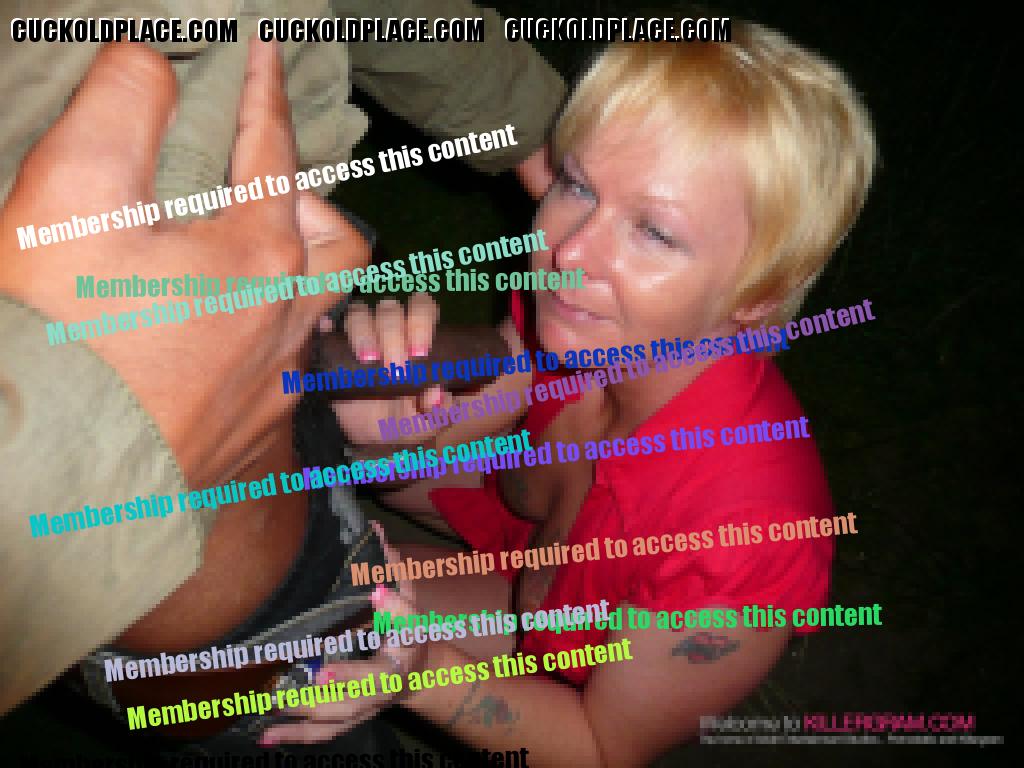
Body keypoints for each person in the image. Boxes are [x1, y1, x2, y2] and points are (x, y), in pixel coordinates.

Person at [270, 20, 877, 766]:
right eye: (578, 185)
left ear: (760, 293)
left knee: (302, 636)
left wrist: (424, 675)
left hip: (574, 659)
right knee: (302, 575)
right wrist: (378, 427)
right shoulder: (588, 326)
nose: (569, 250)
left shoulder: (741, 542)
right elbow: (468, 425)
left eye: (655, 232)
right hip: (512, 552)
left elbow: (602, 747)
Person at [1, 2, 564, 757]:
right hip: (207, 591)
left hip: (276, 326)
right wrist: (112, 428)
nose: (578, 247)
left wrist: (524, 113)